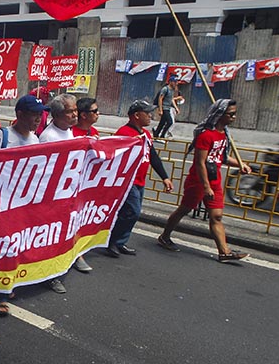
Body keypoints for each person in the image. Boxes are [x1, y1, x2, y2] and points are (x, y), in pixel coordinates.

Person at [158, 99, 252, 262]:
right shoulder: (206, 135)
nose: (234, 117)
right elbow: (200, 162)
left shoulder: (224, 135)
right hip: (199, 181)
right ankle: (164, 236)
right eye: (230, 114)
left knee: (216, 216)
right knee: (183, 210)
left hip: (215, 180)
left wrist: (241, 164)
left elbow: (220, 158)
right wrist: (206, 186)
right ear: (220, 114)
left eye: (235, 114)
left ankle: (224, 251)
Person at [0, 94, 47, 316]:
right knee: (1, 248)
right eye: (33, 114)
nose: (38, 119)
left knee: (17, 245)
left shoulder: (36, 140)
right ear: (19, 114)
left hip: (22, 204)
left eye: (40, 115)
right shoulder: (1, 138)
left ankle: (7, 284)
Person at [107, 100, 174, 257]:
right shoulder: (124, 133)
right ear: (136, 115)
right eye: (147, 113)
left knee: (129, 212)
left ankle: (120, 241)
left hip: (140, 181)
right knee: (133, 212)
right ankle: (113, 241)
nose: (150, 116)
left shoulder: (146, 134)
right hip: (127, 181)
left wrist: (164, 177)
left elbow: (153, 156)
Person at [38, 93, 92, 287]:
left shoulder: (68, 131)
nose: (75, 114)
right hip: (53, 196)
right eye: (70, 111)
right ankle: (51, 275)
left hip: (68, 192)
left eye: (76, 110)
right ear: (58, 115)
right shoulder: (49, 137)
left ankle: (70, 259)